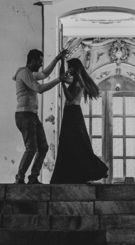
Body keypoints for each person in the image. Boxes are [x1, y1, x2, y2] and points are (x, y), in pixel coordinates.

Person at [50, 57, 109, 184]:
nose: (68, 69)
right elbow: (62, 77)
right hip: (70, 113)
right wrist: (61, 60)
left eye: (70, 67)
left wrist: (62, 85)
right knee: (69, 143)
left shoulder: (78, 83)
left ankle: (97, 170)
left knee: (77, 143)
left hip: (73, 113)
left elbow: (70, 98)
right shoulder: (74, 80)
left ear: (75, 68)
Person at [13, 47, 67, 184]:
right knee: (31, 148)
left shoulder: (30, 73)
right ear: (32, 61)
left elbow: (44, 74)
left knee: (43, 147)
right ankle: (19, 177)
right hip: (24, 115)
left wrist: (57, 58)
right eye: (39, 62)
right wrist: (59, 79)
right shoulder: (24, 73)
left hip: (32, 115)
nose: (41, 65)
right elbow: (40, 88)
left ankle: (33, 177)